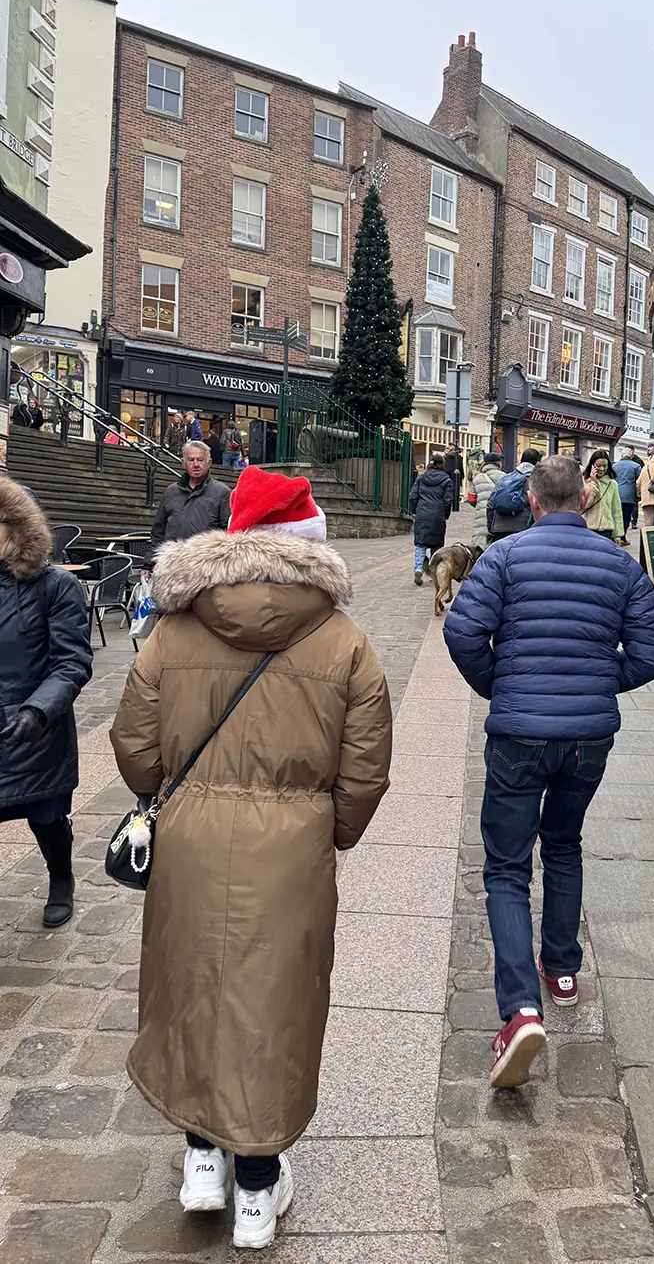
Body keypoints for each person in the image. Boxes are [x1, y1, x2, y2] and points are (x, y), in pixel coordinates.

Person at [110, 467, 391, 1250]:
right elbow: (365, 769)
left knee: (189, 988)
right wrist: (328, 831)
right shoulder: (344, 640)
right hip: (291, 851)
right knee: (274, 1004)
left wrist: (167, 796)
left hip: (191, 841)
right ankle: (257, 1191)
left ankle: (203, 1160)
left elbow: (133, 743)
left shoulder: (174, 630)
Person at [443, 455, 654, 1088]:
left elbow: (462, 634)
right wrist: (599, 683)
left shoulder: (503, 558)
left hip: (519, 733)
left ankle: (520, 1011)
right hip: (587, 739)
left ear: (534, 502)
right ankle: (563, 968)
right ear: (585, 500)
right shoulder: (621, 565)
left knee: (507, 867)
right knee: (565, 843)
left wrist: (501, 686)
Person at [0, 478, 93, 929]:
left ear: (17, 527)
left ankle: (61, 878)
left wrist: (39, 709)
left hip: (35, 730)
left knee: (47, 816)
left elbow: (71, 662)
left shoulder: (55, 586)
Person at [147, 442, 231, 565]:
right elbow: (158, 531)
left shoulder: (222, 493)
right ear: (183, 463)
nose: (196, 464)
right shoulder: (171, 492)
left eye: (200, 460)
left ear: (209, 463)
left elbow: (228, 534)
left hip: (206, 564)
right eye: (191, 460)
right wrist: (148, 564)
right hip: (172, 563)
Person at [409, 452, 453, 585]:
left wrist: (415, 511)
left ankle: (418, 568)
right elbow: (447, 501)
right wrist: (445, 514)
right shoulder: (446, 480)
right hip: (437, 515)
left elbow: (413, 496)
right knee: (436, 546)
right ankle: (433, 572)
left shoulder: (421, 478)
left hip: (422, 514)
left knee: (420, 544)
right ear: (443, 464)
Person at [487, 449, 542, 542]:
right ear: (537, 463)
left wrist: (491, 527)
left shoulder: (506, 478)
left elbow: (491, 503)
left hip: (499, 529)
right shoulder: (535, 482)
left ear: (521, 460)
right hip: (522, 530)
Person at [582, 451, 624, 542]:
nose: (602, 469)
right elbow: (584, 505)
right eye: (598, 466)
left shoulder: (612, 484)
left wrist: (617, 535)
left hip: (606, 531)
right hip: (588, 529)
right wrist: (593, 483)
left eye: (605, 466)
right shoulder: (584, 482)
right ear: (592, 465)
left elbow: (616, 510)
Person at [471, 452, 504, 552]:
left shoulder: (477, 478)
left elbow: (471, 499)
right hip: (498, 516)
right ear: (498, 463)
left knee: (479, 546)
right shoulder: (504, 477)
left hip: (481, 515)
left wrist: (480, 504)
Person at [613, 446, 640, 545]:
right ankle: (622, 537)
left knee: (615, 516)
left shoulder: (614, 466)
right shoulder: (636, 466)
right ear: (631, 456)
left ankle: (615, 536)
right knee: (626, 518)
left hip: (616, 494)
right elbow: (639, 481)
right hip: (629, 496)